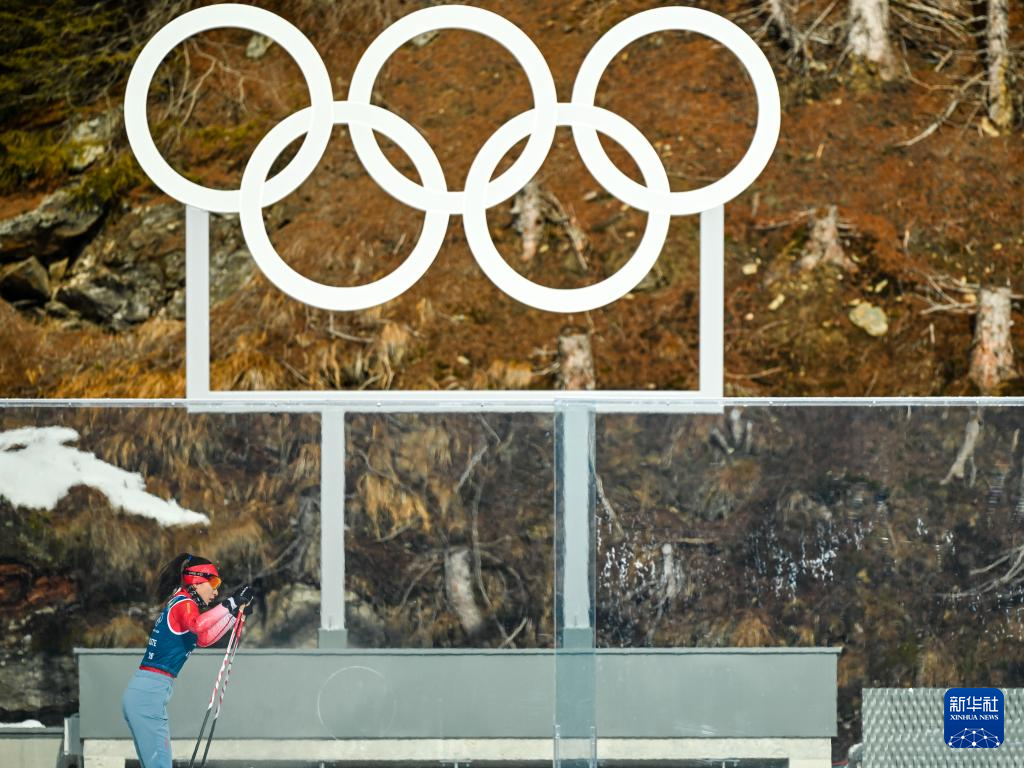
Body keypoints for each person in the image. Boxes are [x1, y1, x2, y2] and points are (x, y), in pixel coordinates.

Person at [121, 553, 252, 768]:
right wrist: (231, 602)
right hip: (148, 696)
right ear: (197, 581)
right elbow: (199, 625)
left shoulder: (184, 604)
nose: (216, 591)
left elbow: (205, 638)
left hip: (149, 694)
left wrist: (233, 614)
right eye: (214, 583)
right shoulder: (184, 603)